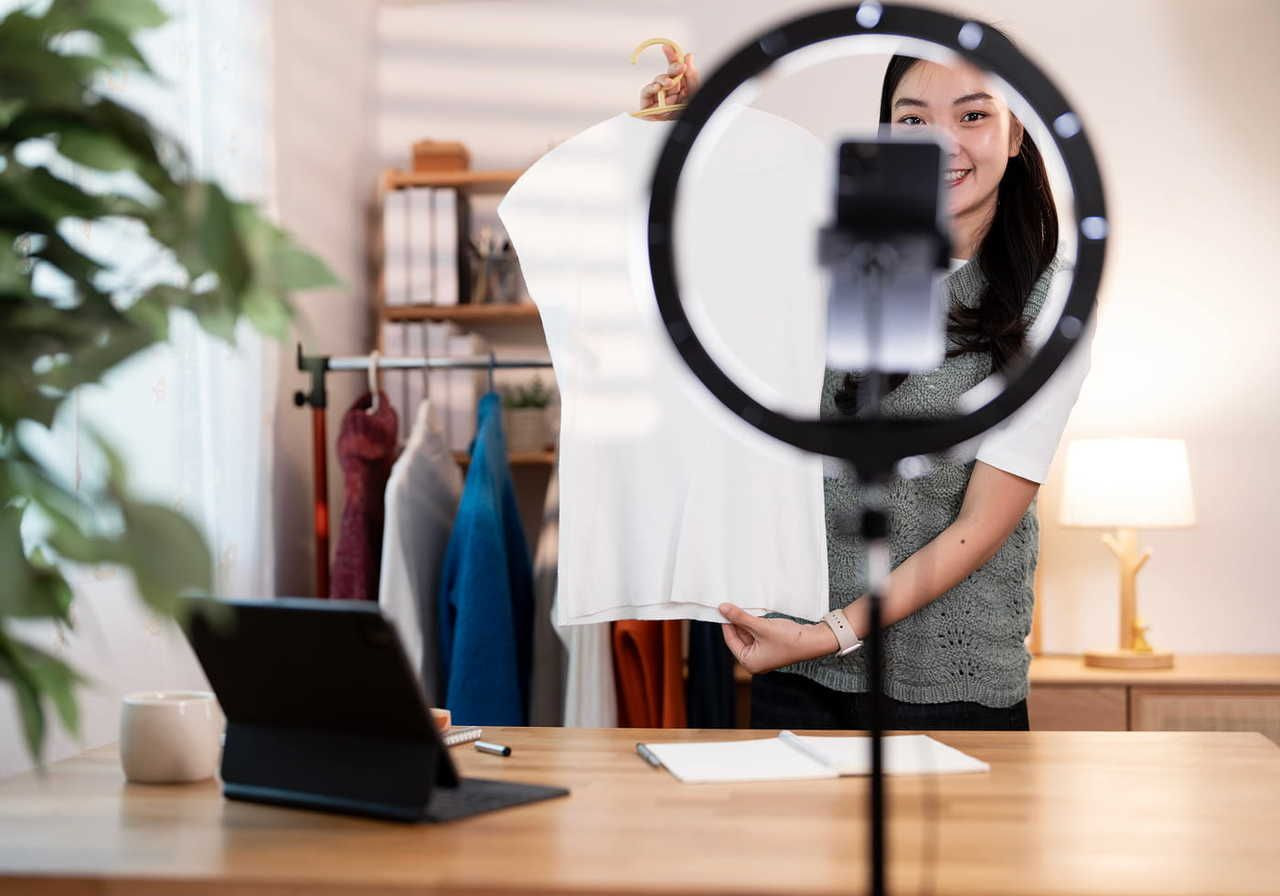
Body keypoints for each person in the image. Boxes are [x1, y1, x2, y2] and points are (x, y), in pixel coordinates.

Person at [638, 30, 1090, 731]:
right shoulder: (844, 260)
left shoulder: (1048, 302)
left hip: (949, 687)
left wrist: (834, 631)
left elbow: (980, 527)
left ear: (1017, 134)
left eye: (971, 115)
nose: (940, 144)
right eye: (913, 120)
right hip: (798, 666)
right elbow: (720, 252)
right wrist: (695, 131)